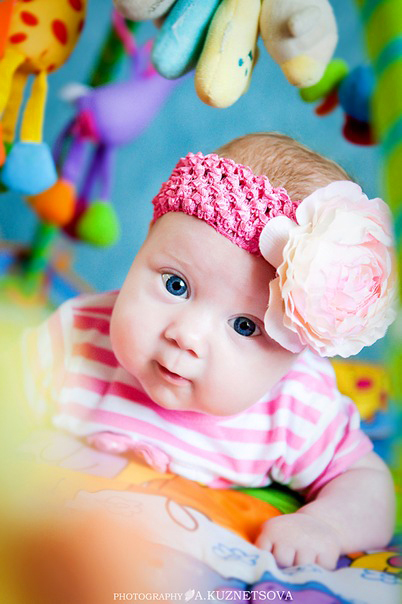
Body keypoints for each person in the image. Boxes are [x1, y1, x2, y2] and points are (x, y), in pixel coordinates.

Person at [23, 132, 396, 570]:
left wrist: (326, 525)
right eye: (175, 284)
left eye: (244, 326)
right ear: (147, 241)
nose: (187, 336)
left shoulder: (293, 409)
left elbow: (366, 483)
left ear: (295, 352)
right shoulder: (76, 338)